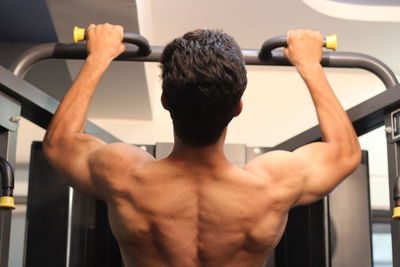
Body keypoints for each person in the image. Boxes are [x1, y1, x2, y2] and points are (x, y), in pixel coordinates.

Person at [43, 23, 361, 267]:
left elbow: (58, 143)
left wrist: (97, 58)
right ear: (238, 107)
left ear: (166, 101)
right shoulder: (271, 185)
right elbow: (345, 152)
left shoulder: (123, 174)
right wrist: (310, 65)